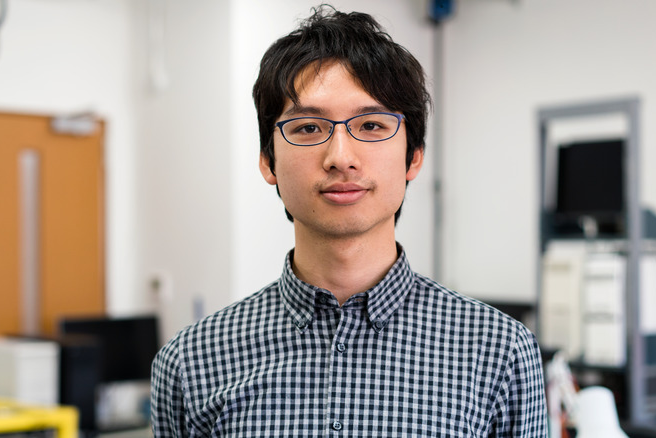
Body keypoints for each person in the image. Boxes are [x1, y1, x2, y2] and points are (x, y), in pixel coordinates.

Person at [151, 5, 547, 437]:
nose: (341, 157)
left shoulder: (499, 351)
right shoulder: (191, 362)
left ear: (413, 156)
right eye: (307, 128)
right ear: (268, 162)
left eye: (372, 125)